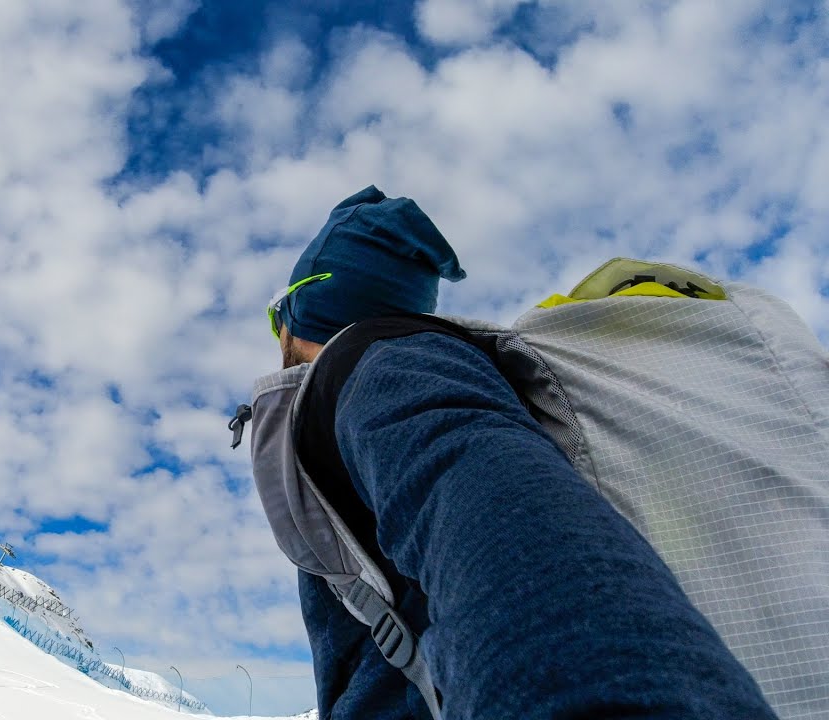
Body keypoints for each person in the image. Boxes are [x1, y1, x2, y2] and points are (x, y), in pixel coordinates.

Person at [247, 186, 778, 719]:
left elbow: (526, 549)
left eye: (278, 315)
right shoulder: (361, 395)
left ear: (309, 305)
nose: (278, 334)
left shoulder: (389, 366)